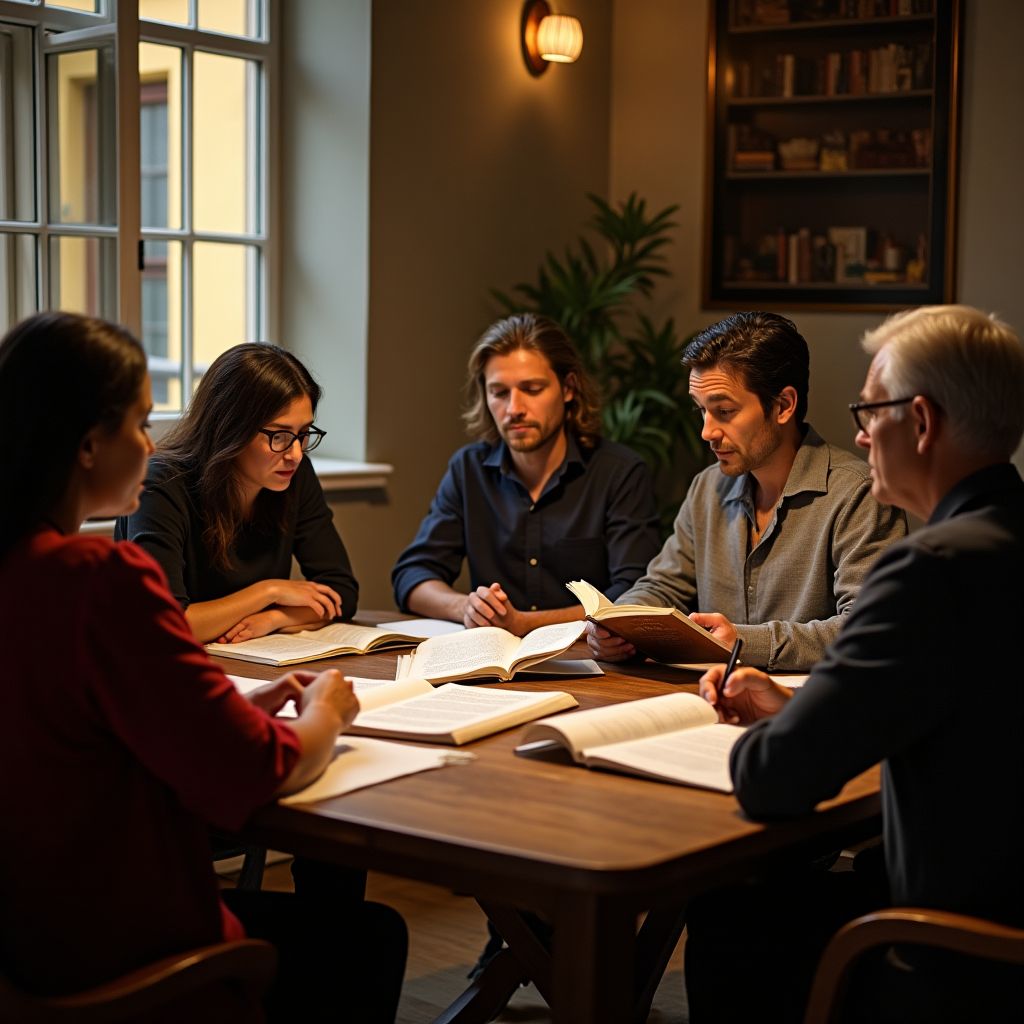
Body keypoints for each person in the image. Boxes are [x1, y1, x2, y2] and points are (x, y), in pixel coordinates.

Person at [0, 312, 406, 1021]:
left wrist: (232, 709)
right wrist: (326, 712)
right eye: (139, 423)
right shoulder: (100, 579)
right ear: (88, 445)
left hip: (27, 937)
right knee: (367, 939)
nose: (150, 443)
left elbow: (88, 720)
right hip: (123, 951)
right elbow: (261, 767)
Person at [686, 304, 1024, 1023]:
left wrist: (788, 727)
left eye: (870, 412)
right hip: (1006, 908)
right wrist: (804, 705)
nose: (861, 434)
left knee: (731, 909)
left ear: (922, 422)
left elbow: (772, 778)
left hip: (956, 952)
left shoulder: (928, 571)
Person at [587, 311, 907, 671]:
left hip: (812, 699)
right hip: (711, 694)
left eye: (724, 411)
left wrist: (744, 642)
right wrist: (618, 624)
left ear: (783, 406)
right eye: (702, 411)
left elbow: (870, 627)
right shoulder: (707, 487)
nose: (707, 432)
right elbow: (663, 585)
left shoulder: (857, 493)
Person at [392, 313, 661, 637]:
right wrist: (466, 607)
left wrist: (524, 624)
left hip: (591, 655)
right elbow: (412, 575)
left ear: (568, 388)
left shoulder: (619, 472)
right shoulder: (468, 469)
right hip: (494, 656)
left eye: (532, 389)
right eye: (499, 393)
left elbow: (635, 594)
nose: (514, 409)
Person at [116, 342, 357, 645]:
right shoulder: (160, 483)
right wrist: (269, 592)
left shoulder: (294, 475)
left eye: (303, 434)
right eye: (279, 435)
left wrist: (275, 618)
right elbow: (165, 624)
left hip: (246, 659)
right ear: (231, 429)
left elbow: (341, 592)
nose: (295, 454)